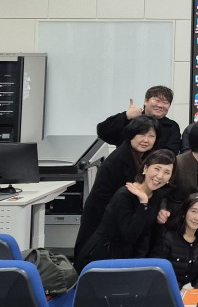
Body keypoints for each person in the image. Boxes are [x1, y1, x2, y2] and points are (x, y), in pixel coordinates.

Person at [75, 149, 177, 272]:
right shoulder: (124, 194)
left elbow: (146, 234)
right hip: (104, 256)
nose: (160, 176)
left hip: (130, 257)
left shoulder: (157, 196)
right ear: (145, 168)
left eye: (167, 172)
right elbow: (130, 235)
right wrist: (143, 204)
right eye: (157, 169)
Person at [75, 115, 159, 258]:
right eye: (141, 134)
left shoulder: (143, 155)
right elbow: (102, 197)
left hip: (120, 219)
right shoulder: (118, 159)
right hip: (102, 220)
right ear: (131, 134)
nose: (146, 140)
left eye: (151, 136)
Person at [151, 192, 198, 289]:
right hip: (167, 290)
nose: (197, 217)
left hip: (190, 292)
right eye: (193, 211)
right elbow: (157, 272)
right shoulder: (167, 238)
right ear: (184, 212)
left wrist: (197, 292)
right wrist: (179, 289)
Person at [97, 85, 182, 153]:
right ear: (146, 101)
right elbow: (103, 133)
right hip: (125, 167)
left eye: (165, 102)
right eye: (157, 100)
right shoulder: (130, 119)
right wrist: (126, 116)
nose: (160, 105)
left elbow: (171, 152)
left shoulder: (172, 126)